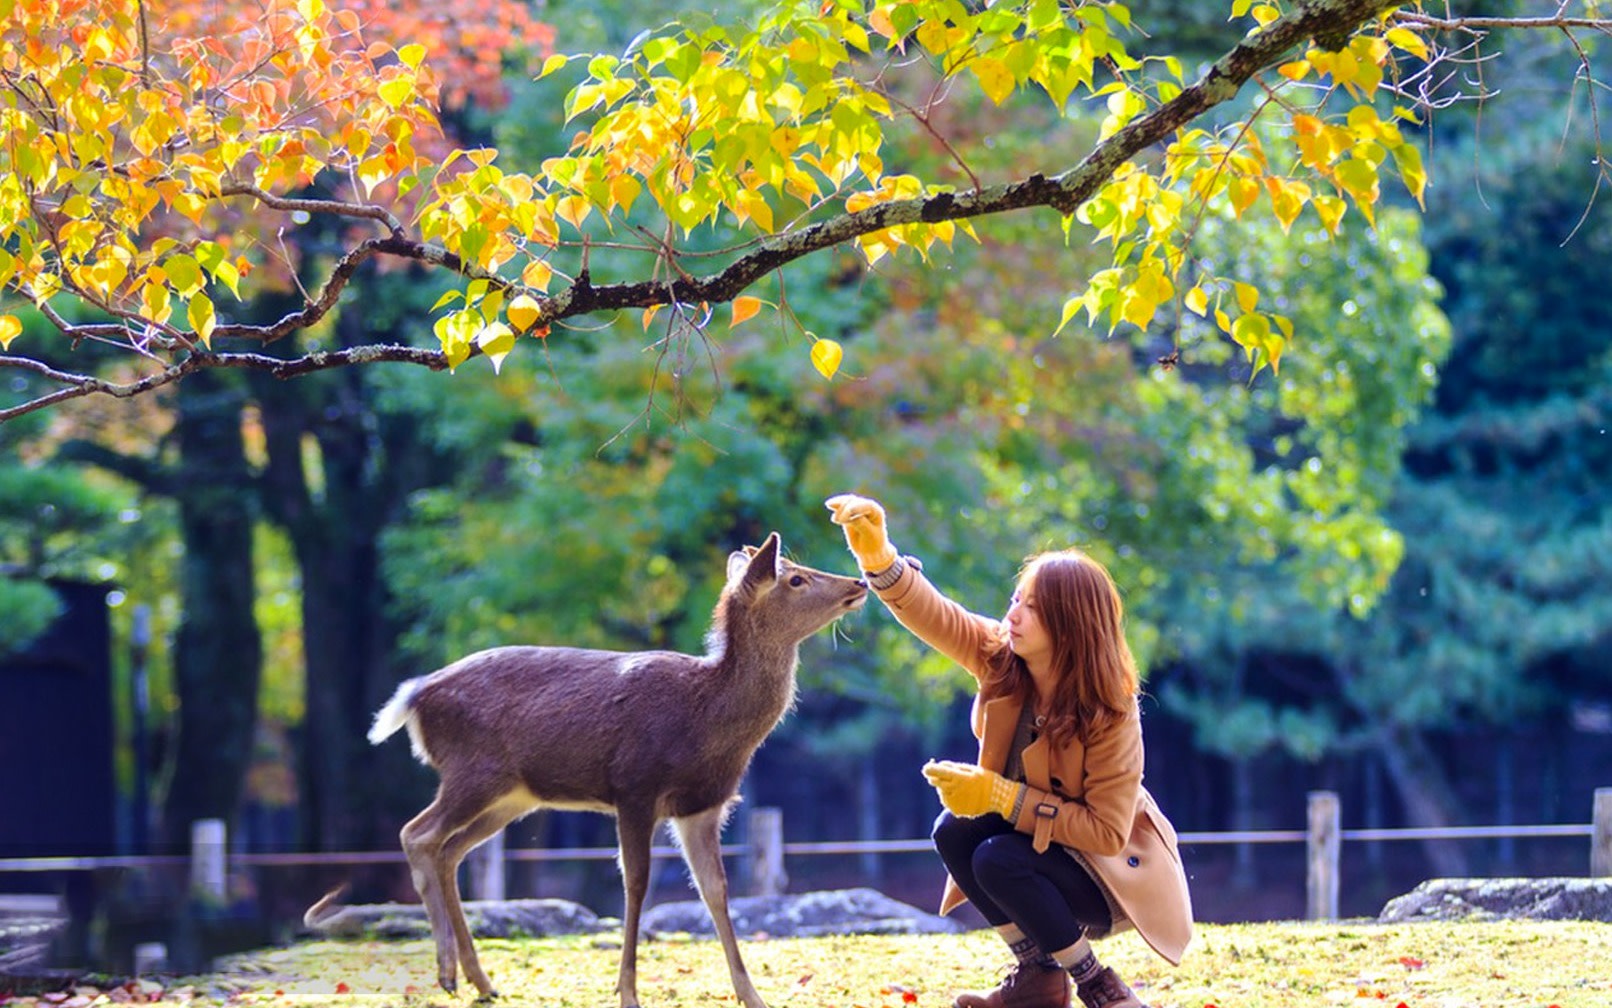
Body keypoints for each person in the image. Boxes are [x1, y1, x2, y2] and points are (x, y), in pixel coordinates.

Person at [826, 494, 1192, 1008]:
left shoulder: (1111, 709)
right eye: (1016, 600)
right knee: (954, 830)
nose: (1015, 615)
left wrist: (1000, 796)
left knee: (998, 857)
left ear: (1071, 626)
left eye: (1035, 608)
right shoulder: (1001, 657)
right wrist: (880, 558)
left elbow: (1106, 833)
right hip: (1036, 849)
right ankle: (1039, 980)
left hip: (1106, 880)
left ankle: (1098, 986)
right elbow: (937, 614)